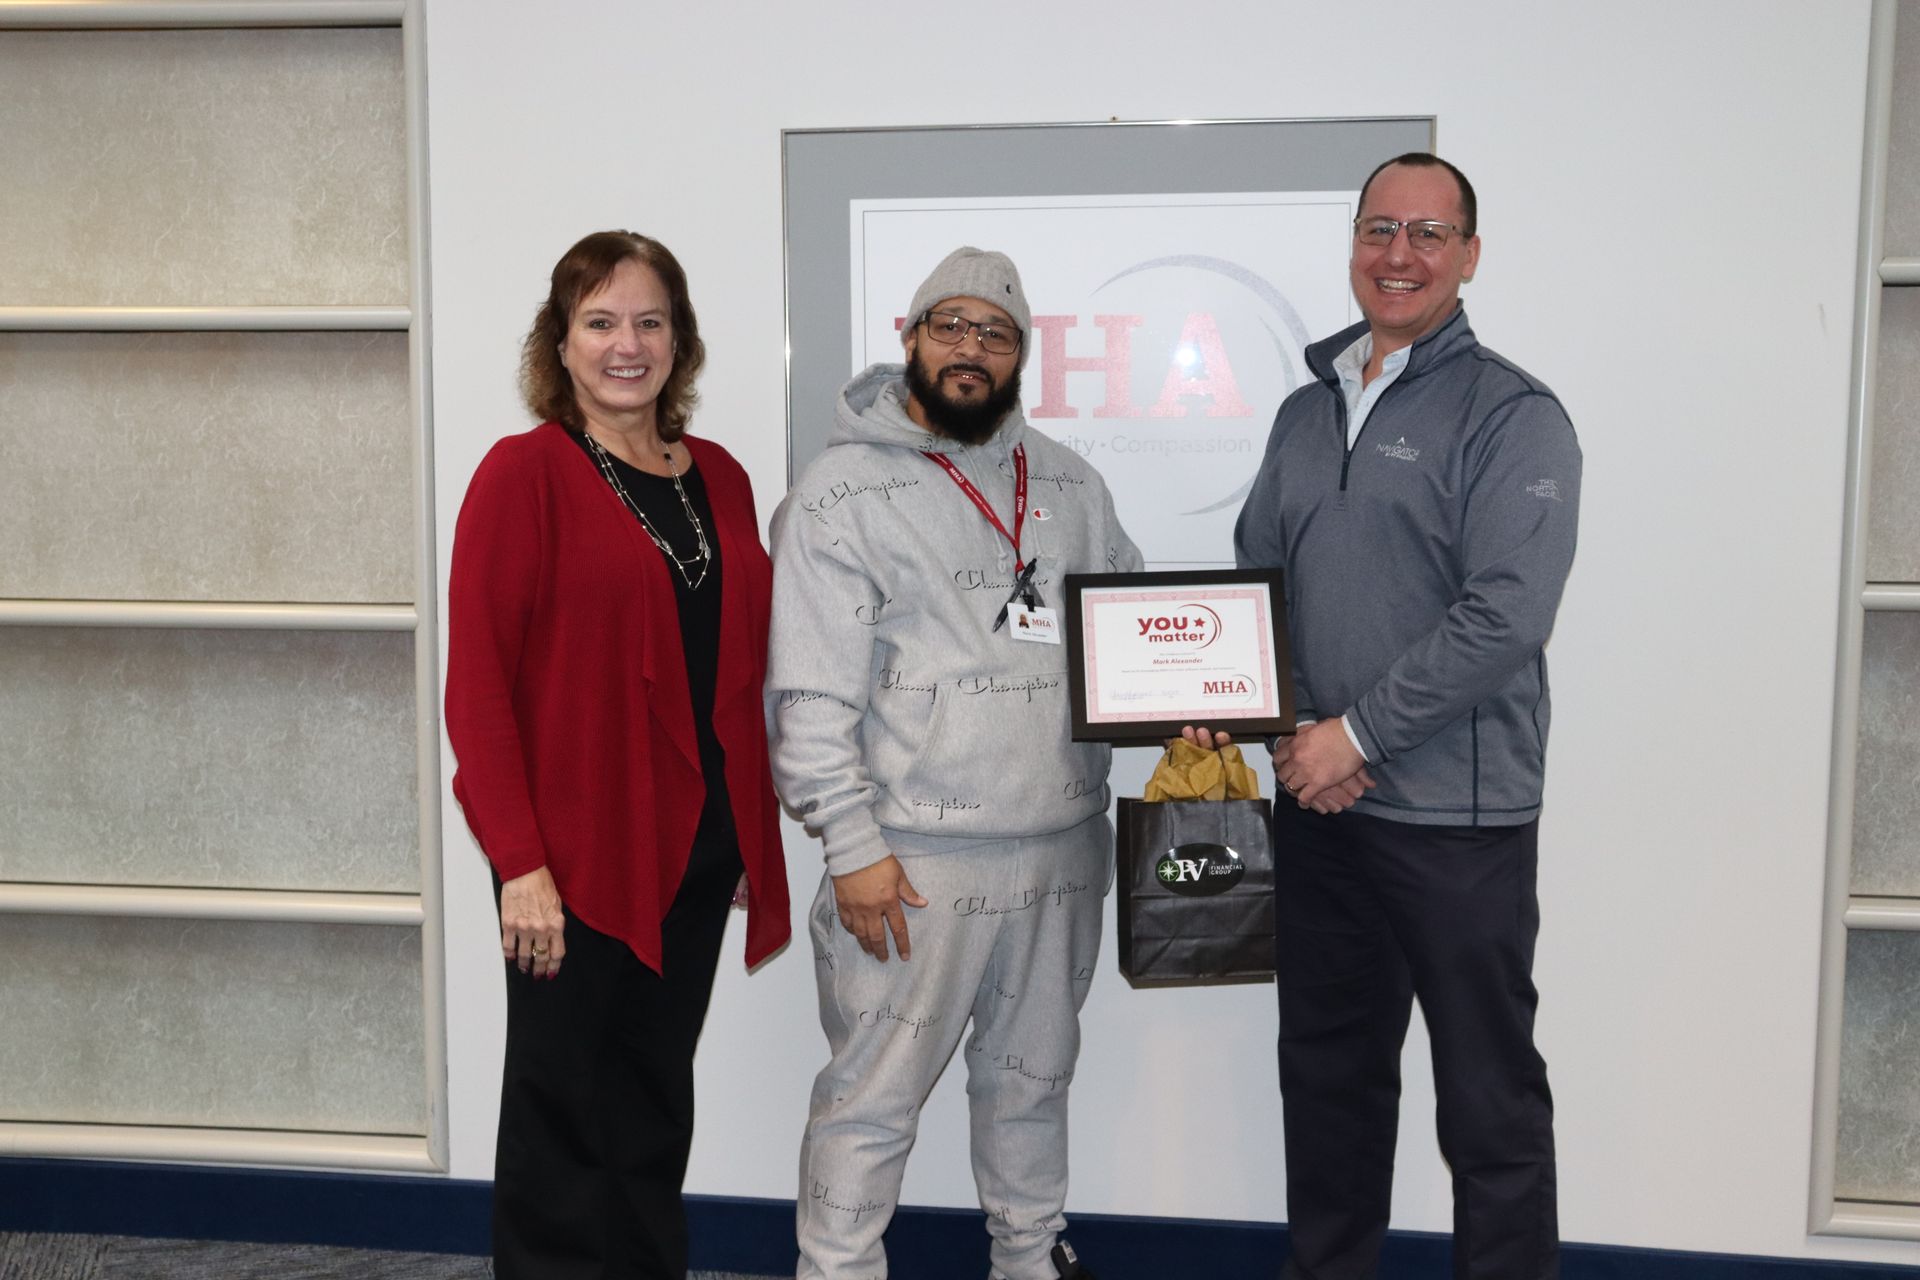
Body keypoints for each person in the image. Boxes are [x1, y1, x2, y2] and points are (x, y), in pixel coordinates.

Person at [1202, 153, 1581, 1279]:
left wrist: (1354, 736)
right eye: (1379, 229)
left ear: (1469, 255)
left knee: (1488, 1099)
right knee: (1327, 1079)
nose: (1399, 254)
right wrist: (1294, 734)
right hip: (1322, 811)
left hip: (1458, 821)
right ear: (1354, 245)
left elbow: (1507, 612)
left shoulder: (1514, 414)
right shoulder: (1304, 411)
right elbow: (1258, 583)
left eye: (1428, 233)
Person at [767, 247, 1141, 1280]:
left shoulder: (1070, 481)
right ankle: (837, 1269)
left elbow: (1132, 631)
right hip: (911, 865)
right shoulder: (838, 494)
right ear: (910, 338)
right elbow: (808, 696)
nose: (971, 348)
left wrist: (1191, 703)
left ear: (1021, 354)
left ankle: (1029, 1256)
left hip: (1063, 847)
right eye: (951, 325)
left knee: (1034, 1081)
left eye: (996, 333)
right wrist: (851, 847)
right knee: (872, 1097)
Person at [444, 230, 790, 1280]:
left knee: (651, 1101)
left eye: (648, 321)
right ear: (560, 341)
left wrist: (745, 834)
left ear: (679, 341)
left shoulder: (720, 477)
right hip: (572, 858)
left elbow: (740, 665)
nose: (625, 344)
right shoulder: (524, 475)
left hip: (694, 846)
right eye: (599, 322)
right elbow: (478, 690)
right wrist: (520, 864)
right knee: (560, 1116)